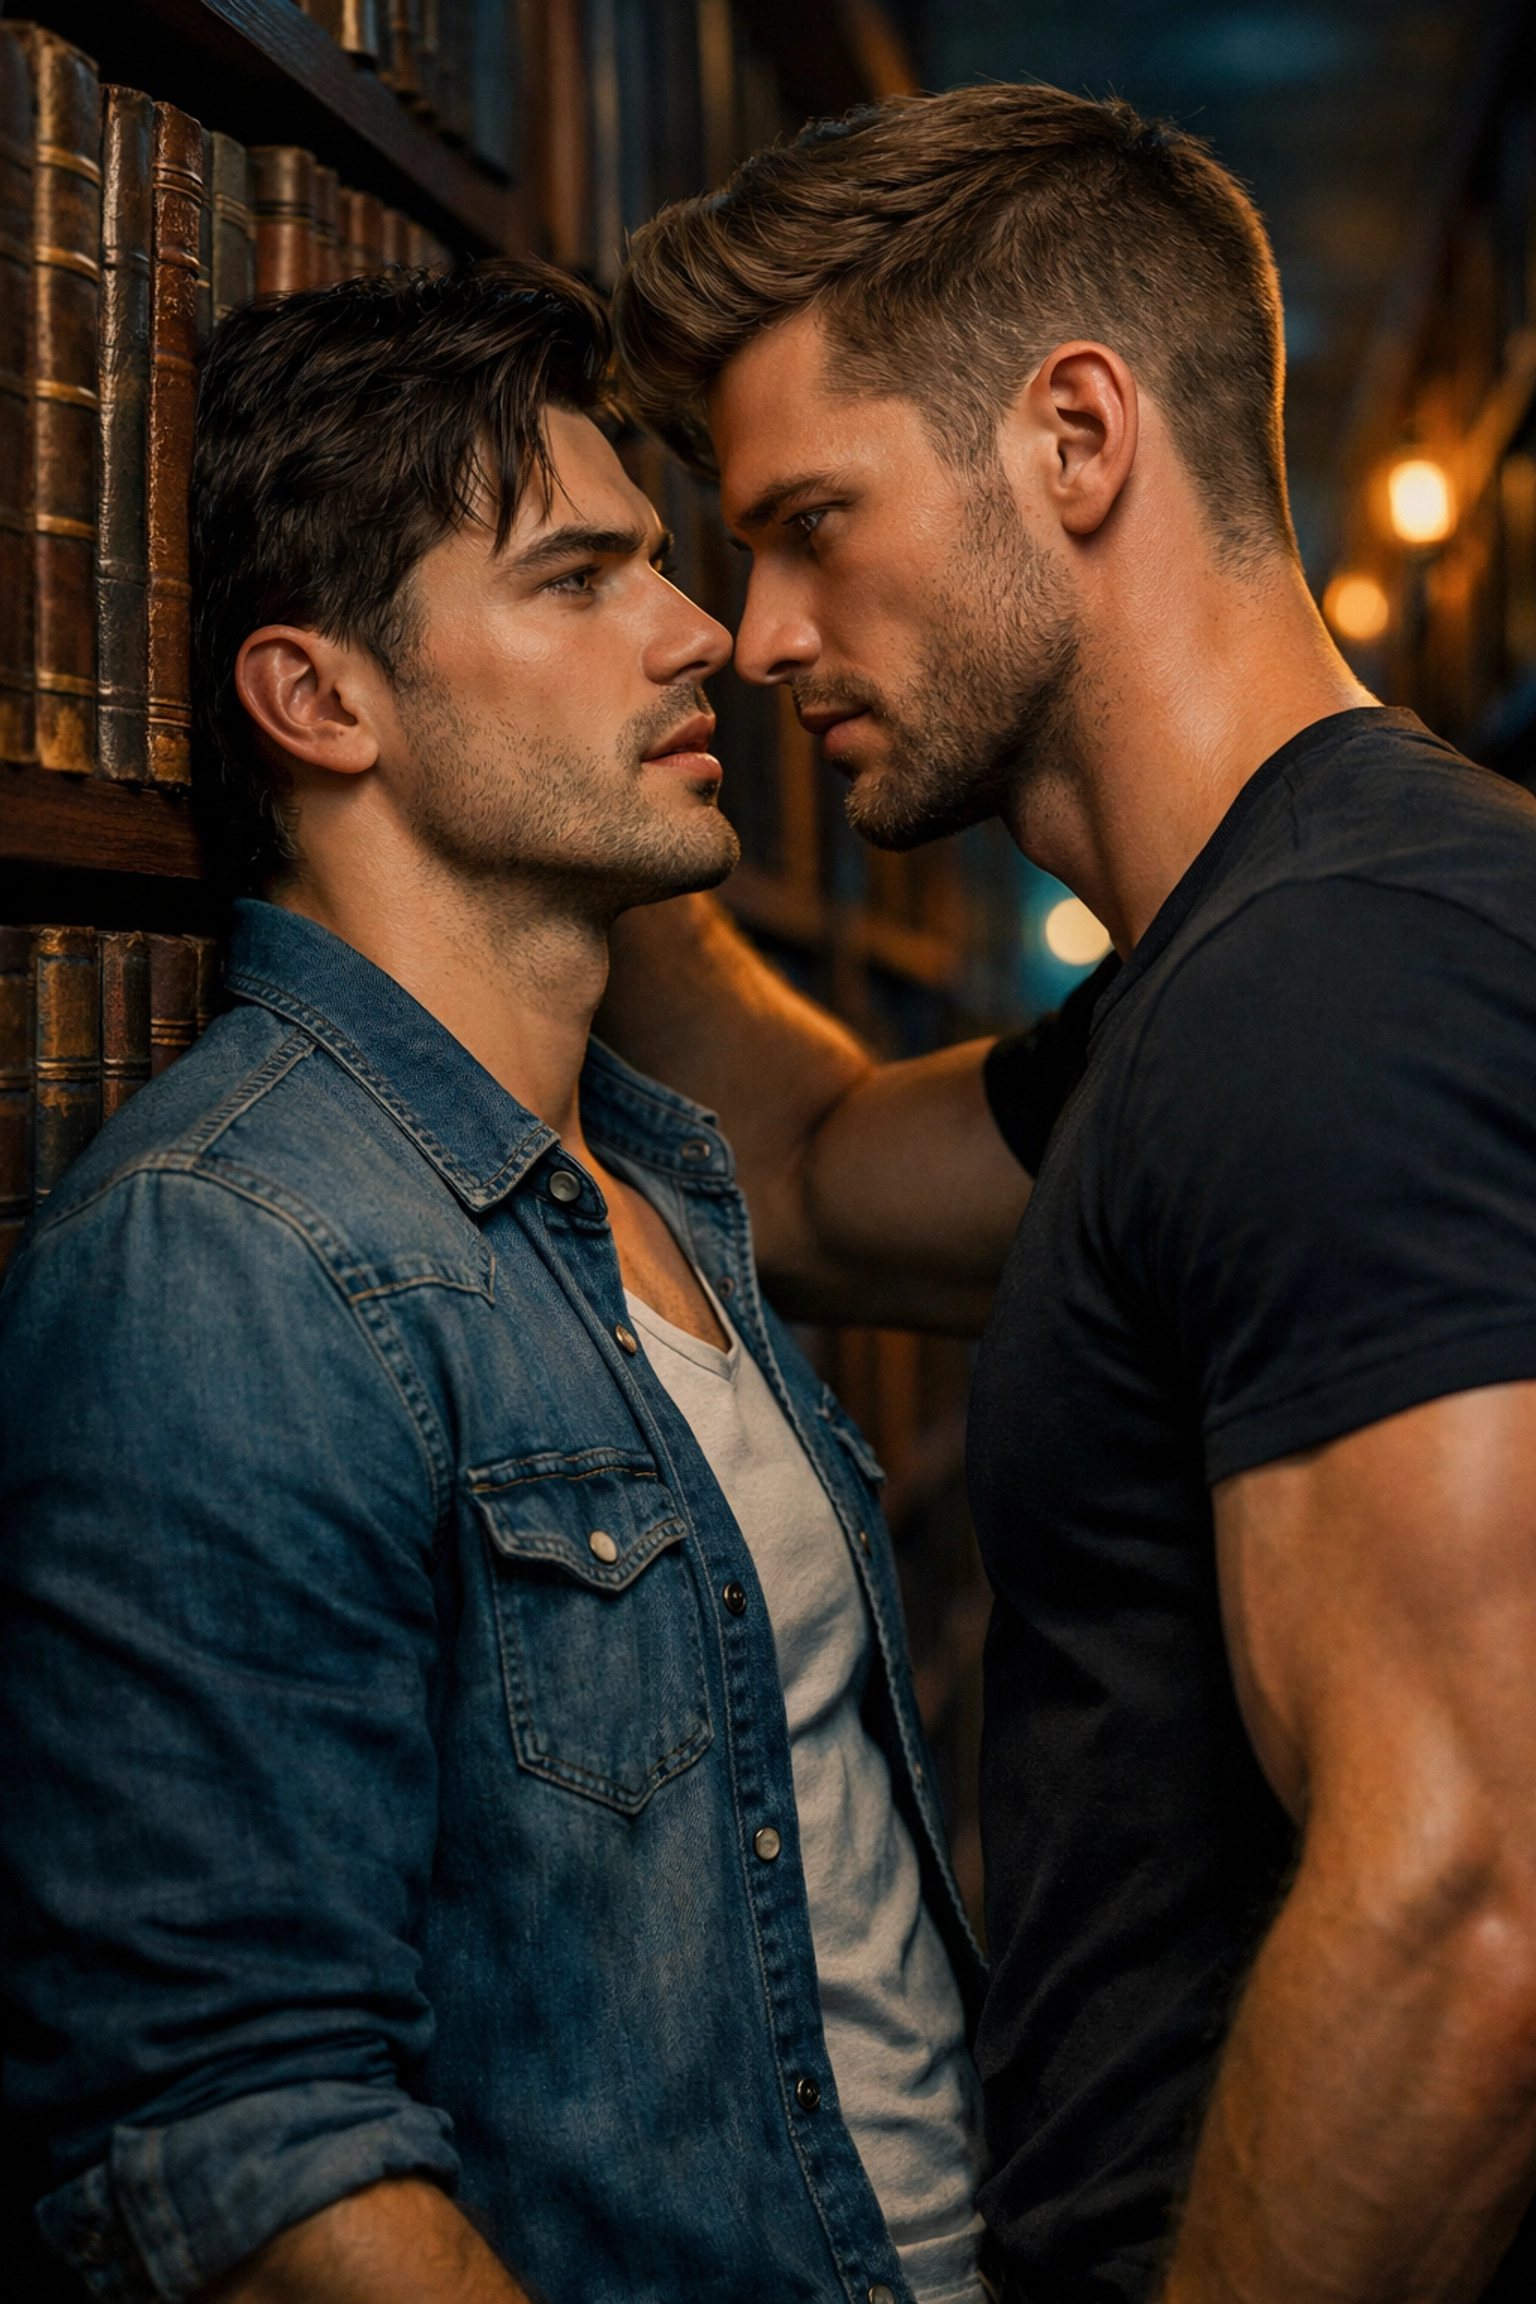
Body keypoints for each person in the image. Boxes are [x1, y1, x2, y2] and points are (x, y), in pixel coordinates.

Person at [603, 82, 1536, 2304]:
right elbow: (804, 1176)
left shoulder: (1339, 982)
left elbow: (1475, 1906)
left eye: (811, 524)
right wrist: (560, 763)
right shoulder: (1218, 990)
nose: (757, 634)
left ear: (1079, 439)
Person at [0, 261, 1001, 2304]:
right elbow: (249, 2147)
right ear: (322, 704)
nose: (702, 629)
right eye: (577, 578)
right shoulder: (224, 1257)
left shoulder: (657, 1176)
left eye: (659, 563)